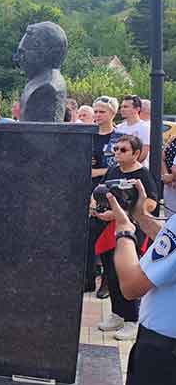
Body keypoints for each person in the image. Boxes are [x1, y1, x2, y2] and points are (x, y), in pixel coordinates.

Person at [106, 176, 176, 385]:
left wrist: (124, 232)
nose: (169, 178)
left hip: (164, 359)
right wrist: (141, 216)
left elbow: (132, 285)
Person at [93, 135, 156, 342]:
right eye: (116, 149)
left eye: (123, 150)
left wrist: (124, 213)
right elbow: (100, 191)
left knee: (127, 274)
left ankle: (131, 319)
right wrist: (97, 208)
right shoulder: (113, 170)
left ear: (136, 153)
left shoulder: (142, 174)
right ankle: (117, 314)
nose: (117, 153)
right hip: (109, 229)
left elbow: (151, 202)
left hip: (130, 231)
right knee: (110, 273)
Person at [86, 96, 120, 296]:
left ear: (112, 113)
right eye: (96, 111)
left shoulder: (119, 138)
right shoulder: (87, 134)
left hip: (108, 190)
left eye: (102, 112)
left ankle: (107, 281)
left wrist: (96, 172)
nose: (98, 115)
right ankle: (87, 279)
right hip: (85, 189)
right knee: (87, 236)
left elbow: (119, 165)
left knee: (106, 237)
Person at [116, 95, 151, 167]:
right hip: (120, 168)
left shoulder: (145, 127)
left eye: (126, 107)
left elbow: (144, 153)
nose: (122, 109)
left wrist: (130, 167)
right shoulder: (118, 128)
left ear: (137, 109)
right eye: (121, 107)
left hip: (138, 169)